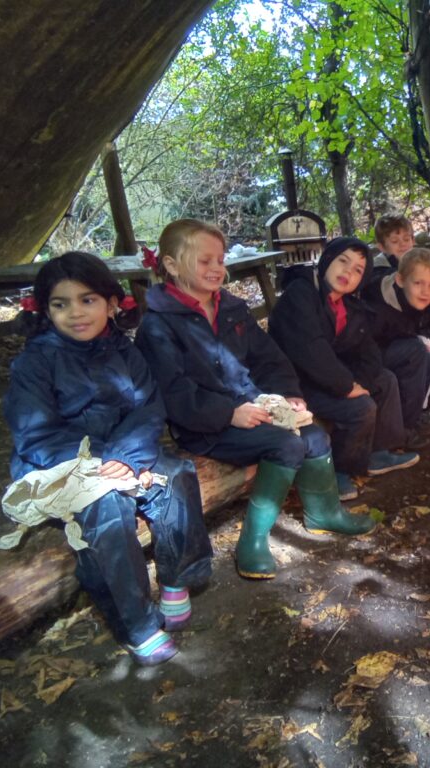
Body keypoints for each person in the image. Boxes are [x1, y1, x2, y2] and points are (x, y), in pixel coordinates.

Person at [135, 219, 376, 582]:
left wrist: (289, 396)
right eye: (205, 261)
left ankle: (323, 512)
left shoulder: (230, 307)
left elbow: (270, 358)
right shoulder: (159, 325)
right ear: (170, 265)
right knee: (287, 445)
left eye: (220, 260)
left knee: (313, 435)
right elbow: (174, 392)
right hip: (204, 424)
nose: (217, 269)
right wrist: (229, 414)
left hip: (251, 404)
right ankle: (253, 541)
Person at [3, 252, 213, 666]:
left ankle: (178, 578)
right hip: (66, 463)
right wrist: (101, 463)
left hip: (124, 452)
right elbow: (36, 431)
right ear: (45, 310)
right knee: (107, 509)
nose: (75, 313)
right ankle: (136, 623)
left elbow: (148, 408)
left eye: (87, 300)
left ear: (112, 304)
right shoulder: (35, 361)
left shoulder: (126, 351)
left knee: (177, 476)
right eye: (60, 304)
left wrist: (126, 457)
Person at [268, 236, 419, 502]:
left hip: (325, 377)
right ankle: (338, 469)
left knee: (384, 379)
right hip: (294, 383)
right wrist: (347, 386)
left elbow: (369, 351)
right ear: (327, 260)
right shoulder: (301, 293)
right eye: (343, 261)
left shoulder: (348, 305)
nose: (348, 272)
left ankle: (377, 452)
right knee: (361, 408)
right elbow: (310, 350)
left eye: (358, 270)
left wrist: (360, 382)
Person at [363, 247, 430, 436]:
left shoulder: (418, 298)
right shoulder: (380, 304)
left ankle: (417, 416)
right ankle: (404, 429)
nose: (425, 291)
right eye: (418, 283)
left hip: (399, 346)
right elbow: (365, 343)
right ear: (400, 280)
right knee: (417, 354)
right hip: (370, 357)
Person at [372, 213, 430, 345]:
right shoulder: (377, 273)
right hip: (392, 341)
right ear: (382, 247)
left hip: (425, 336)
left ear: (413, 241)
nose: (402, 245)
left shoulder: (426, 266)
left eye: (406, 239)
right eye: (395, 241)